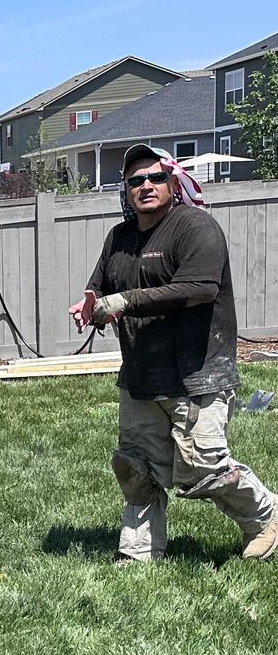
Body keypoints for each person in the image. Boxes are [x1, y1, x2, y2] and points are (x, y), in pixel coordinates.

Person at [71, 142, 277, 563]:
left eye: (155, 177)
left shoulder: (195, 226)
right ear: (126, 190)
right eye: (135, 181)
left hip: (197, 372)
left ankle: (266, 516)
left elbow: (200, 288)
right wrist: (90, 305)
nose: (145, 186)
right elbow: (102, 288)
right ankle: (140, 552)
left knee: (204, 468)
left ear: (172, 181)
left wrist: (126, 301)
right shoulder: (119, 237)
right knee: (135, 466)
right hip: (140, 374)